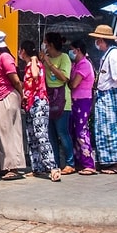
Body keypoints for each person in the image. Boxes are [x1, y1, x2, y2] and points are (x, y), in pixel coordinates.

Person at [0, 29, 27, 180]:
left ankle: (13, 166)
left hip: (6, 96)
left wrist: (22, 95)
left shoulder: (5, 57)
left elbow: (15, 79)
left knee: (8, 132)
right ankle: (3, 165)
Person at [89, 24, 117, 174]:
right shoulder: (108, 54)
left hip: (111, 96)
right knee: (104, 129)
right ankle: (108, 160)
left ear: (101, 40)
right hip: (104, 95)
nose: (97, 43)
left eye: (98, 40)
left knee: (115, 129)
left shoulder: (114, 55)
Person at [18, 40, 60, 182]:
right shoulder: (28, 65)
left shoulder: (34, 64)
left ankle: (52, 166)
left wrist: (35, 58)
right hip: (30, 104)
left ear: (23, 51)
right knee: (32, 136)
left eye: (20, 50)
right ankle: (37, 167)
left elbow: (35, 76)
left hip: (39, 103)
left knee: (41, 134)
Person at [39, 32, 74, 174]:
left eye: (46, 42)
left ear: (51, 44)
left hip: (62, 100)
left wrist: (49, 63)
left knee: (62, 132)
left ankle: (70, 162)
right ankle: (55, 163)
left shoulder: (64, 57)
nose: (44, 45)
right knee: (51, 133)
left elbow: (64, 77)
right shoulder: (45, 59)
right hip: (49, 98)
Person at [67, 39, 97, 175]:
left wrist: (66, 80)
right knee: (73, 130)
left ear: (78, 50)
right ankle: (79, 160)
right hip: (75, 100)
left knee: (81, 131)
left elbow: (74, 84)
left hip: (83, 101)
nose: (70, 52)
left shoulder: (84, 64)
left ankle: (89, 164)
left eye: (72, 49)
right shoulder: (76, 64)